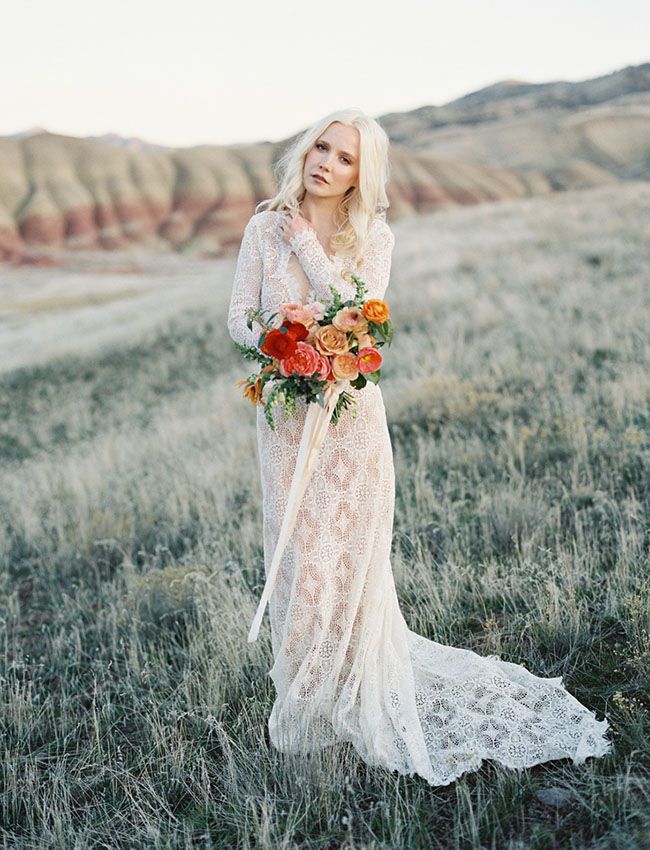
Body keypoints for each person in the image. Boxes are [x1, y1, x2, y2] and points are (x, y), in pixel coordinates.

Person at [226, 107, 612, 786]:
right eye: (321, 147)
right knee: (297, 568)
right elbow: (238, 320)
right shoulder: (264, 227)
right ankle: (307, 710)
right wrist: (282, 342)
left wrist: (309, 258)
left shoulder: (374, 237)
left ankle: (347, 699)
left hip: (350, 423)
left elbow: (358, 311)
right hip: (287, 422)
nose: (326, 163)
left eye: (344, 158)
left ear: (360, 173)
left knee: (344, 566)